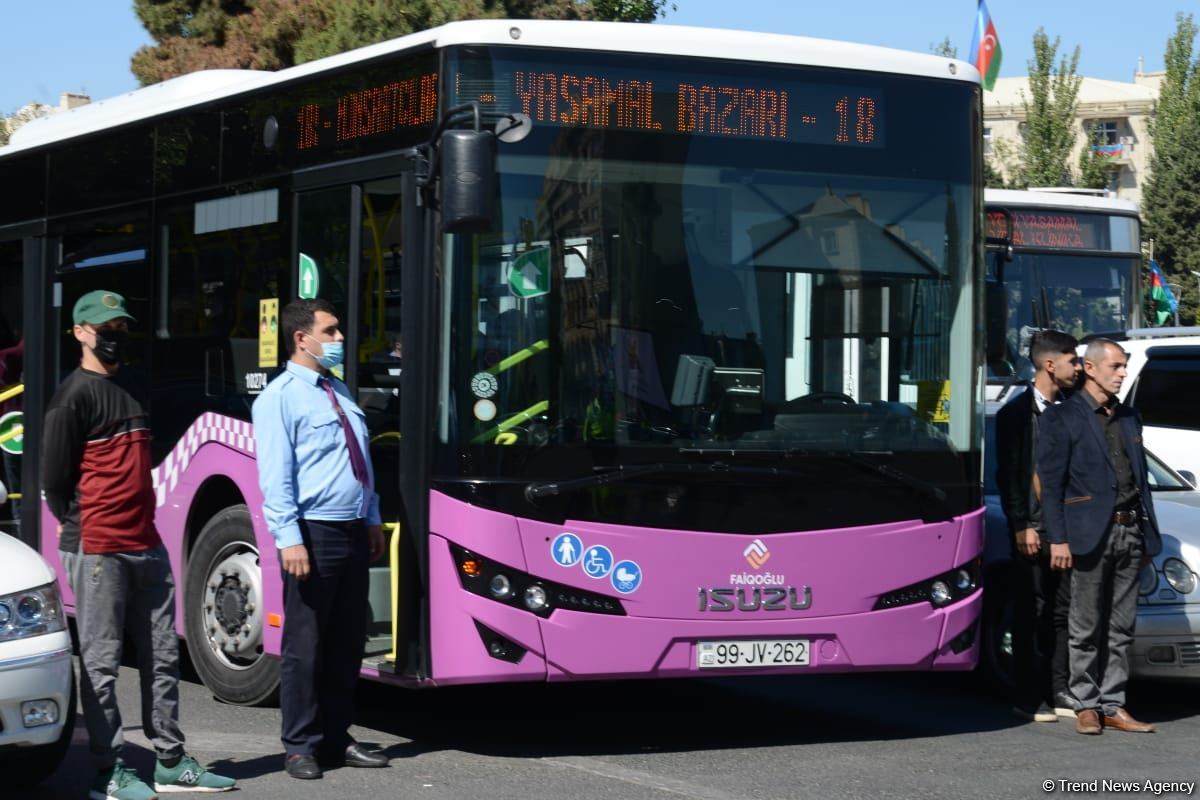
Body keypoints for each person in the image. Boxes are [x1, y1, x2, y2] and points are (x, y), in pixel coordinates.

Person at [42, 290, 235, 800]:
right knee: (102, 664)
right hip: (98, 548)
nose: (115, 336)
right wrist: (80, 524)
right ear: (81, 332)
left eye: (122, 327)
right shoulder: (72, 398)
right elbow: (54, 482)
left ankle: (169, 761)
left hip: (147, 544)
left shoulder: (133, 385)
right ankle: (109, 771)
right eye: (106, 328)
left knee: (163, 656)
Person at [251, 298, 388, 779]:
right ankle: (299, 745)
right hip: (313, 532)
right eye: (330, 332)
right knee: (305, 643)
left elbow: (361, 461)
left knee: (346, 641)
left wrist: (371, 516)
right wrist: (289, 539)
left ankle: (335, 737)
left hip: (351, 528)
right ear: (301, 338)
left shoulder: (338, 389)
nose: (339, 339)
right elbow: (276, 476)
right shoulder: (279, 398)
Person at [1037, 338, 1162, 736]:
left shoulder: (1128, 417)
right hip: (1088, 534)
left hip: (1130, 532)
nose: (1123, 373)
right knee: (1085, 625)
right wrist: (1057, 539)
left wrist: (1149, 538)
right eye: (1117, 367)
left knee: (1121, 627)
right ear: (1090, 369)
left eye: (1124, 367)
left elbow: (1140, 480)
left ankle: (1114, 704)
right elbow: (1051, 485)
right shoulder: (1063, 417)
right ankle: (1085, 704)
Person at [995, 329, 1080, 723]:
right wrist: (1021, 524)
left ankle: (1059, 687)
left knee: (1062, 611)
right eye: (1072, 360)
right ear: (1050, 364)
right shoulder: (1015, 413)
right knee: (1031, 609)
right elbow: (1011, 476)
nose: (1078, 368)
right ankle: (1029, 696)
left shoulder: (1072, 409)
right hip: (1032, 528)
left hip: (1066, 528)